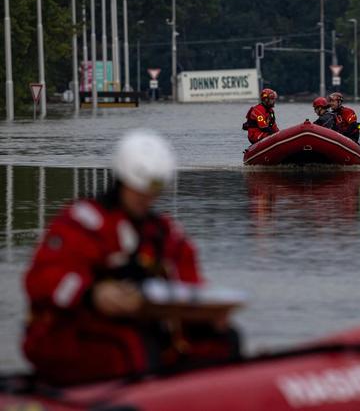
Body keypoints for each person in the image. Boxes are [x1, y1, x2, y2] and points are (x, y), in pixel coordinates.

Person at [22, 129, 240, 386]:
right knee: (133, 346)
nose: (145, 200)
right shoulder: (83, 223)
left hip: (140, 327)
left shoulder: (163, 233)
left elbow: (189, 280)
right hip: (73, 333)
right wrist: (94, 294)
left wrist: (205, 311)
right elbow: (41, 280)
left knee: (223, 338)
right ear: (122, 182)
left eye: (151, 193)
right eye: (139, 192)